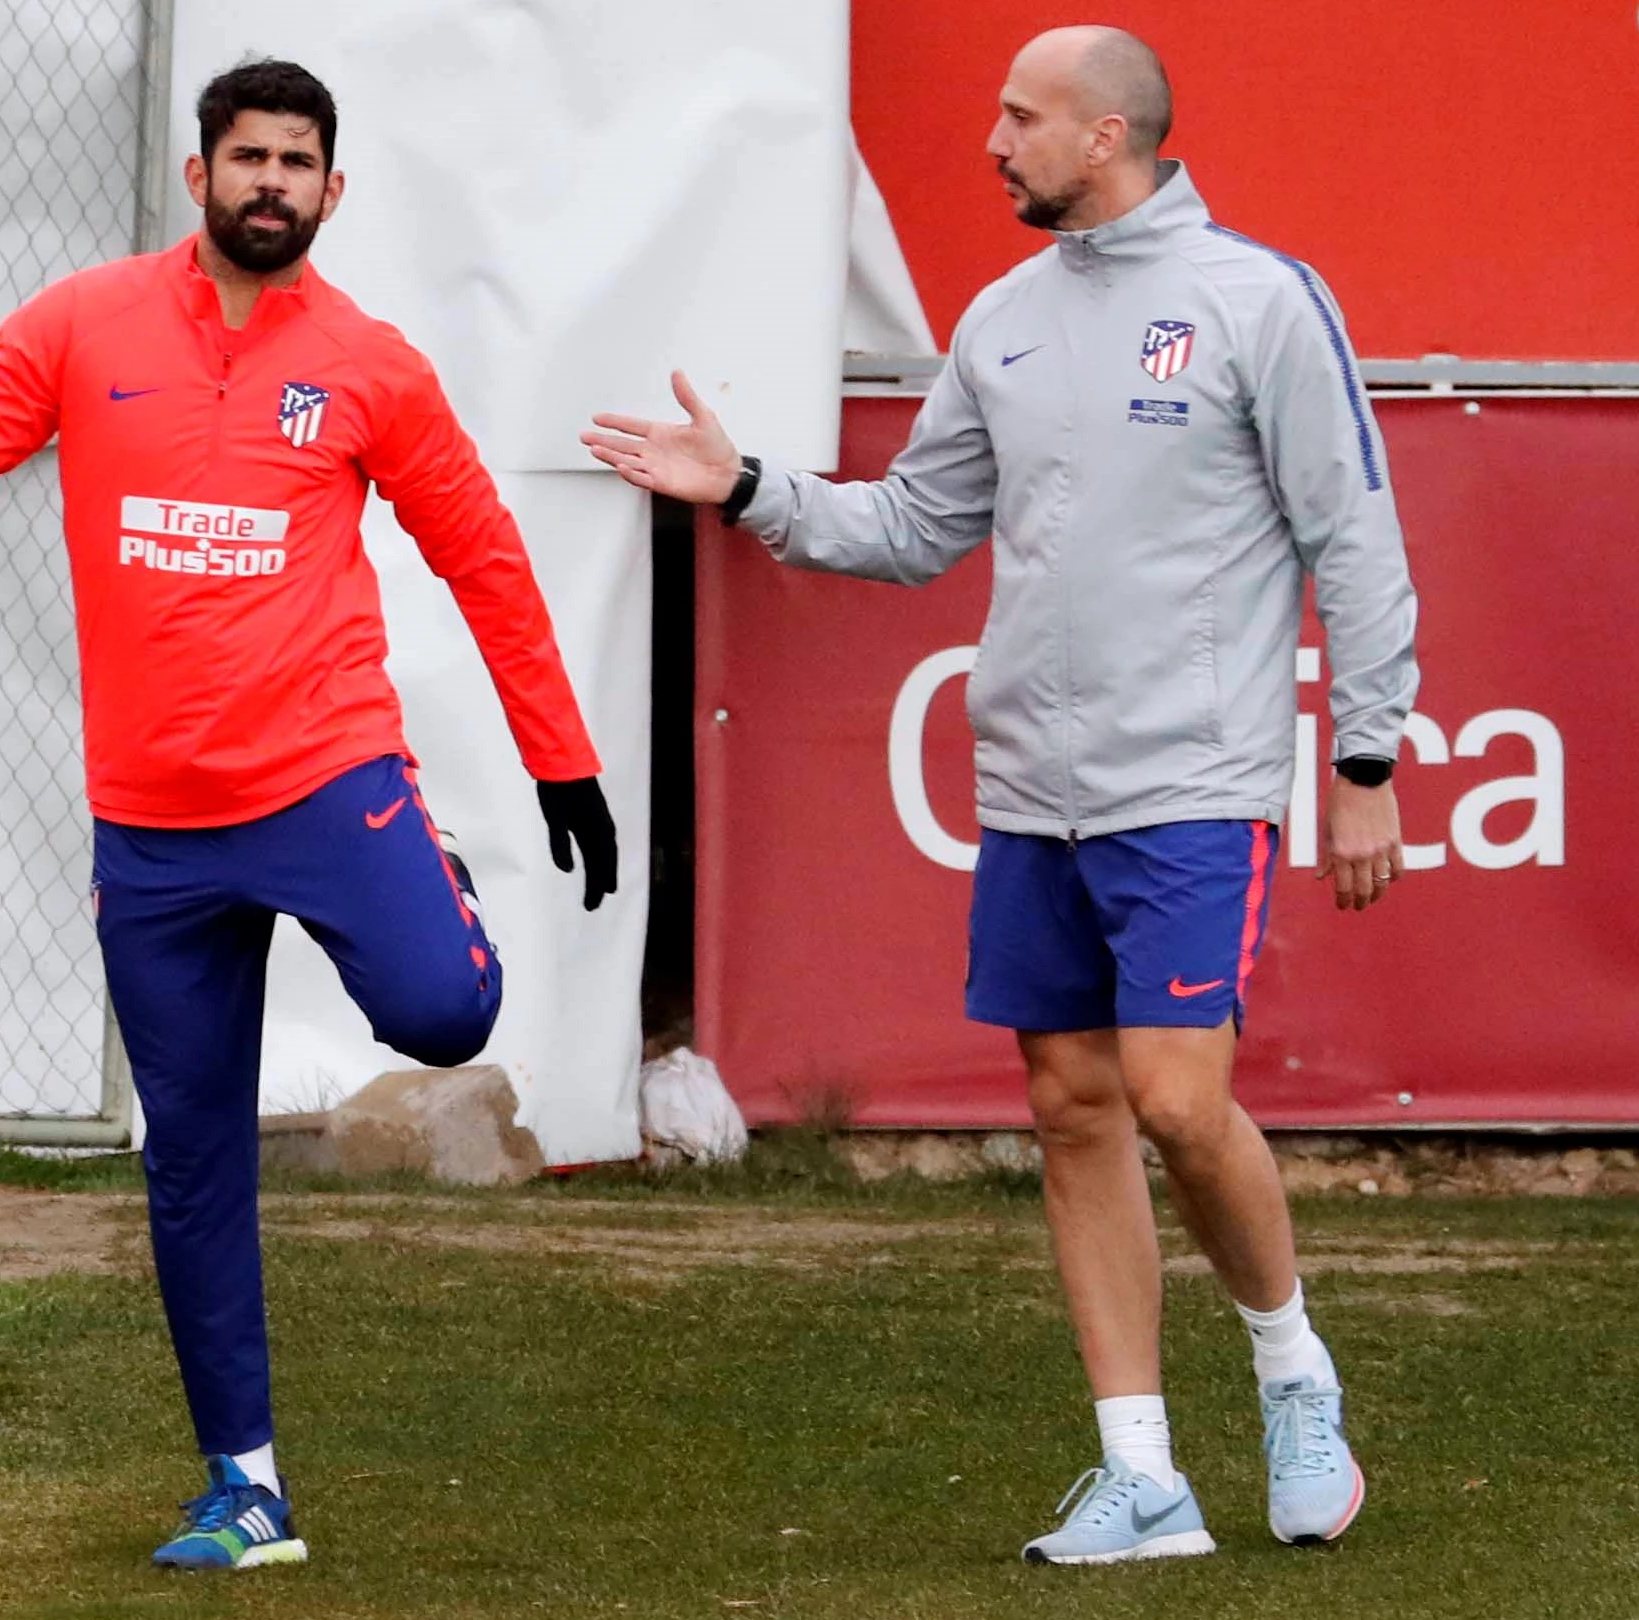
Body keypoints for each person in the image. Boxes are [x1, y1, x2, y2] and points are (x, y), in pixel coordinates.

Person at [0, 56, 619, 1574]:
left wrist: (560, 754)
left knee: (447, 1017)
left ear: (336, 191)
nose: (272, 181)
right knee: (189, 1157)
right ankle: (246, 1488)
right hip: (153, 826)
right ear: (195, 179)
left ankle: (435, 883)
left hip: (330, 781)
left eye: (299, 162)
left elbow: (481, 552)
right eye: (247, 157)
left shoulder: (372, 366)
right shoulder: (82, 326)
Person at [584, 25, 1415, 1565]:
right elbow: (913, 524)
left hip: (1196, 774)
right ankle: (1143, 1476)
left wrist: (1365, 760)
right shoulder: (1004, 319)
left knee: (1177, 1097)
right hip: (1035, 785)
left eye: (1021, 117)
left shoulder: (1258, 301)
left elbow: (1352, 538)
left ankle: (1294, 1371)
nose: (994, 139)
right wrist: (749, 484)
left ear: (1109, 137)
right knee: (1072, 1105)